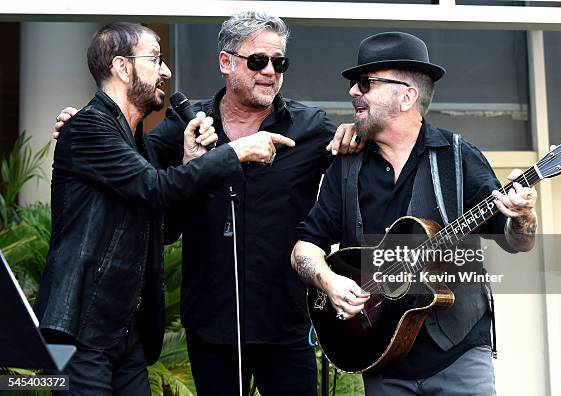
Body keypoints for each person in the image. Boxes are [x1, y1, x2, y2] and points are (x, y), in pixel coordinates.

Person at [54, 11, 360, 396]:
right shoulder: (185, 124)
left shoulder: (311, 127)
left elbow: (357, 170)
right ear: (225, 62)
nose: (270, 71)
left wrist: (357, 130)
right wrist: (79, 122)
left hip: (283, 322)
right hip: (208, 326)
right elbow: (149, 186)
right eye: (258, 61)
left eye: (279, 62)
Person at [292, 31, 539, 396]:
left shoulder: (458, 158)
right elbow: (304, 249)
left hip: (458, 354)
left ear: (406, 96)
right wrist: (329, 282)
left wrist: (522, 215)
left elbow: (518, 241)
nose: (353, 93)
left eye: (365, 83)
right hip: (380, 356)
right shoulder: (346, 168)